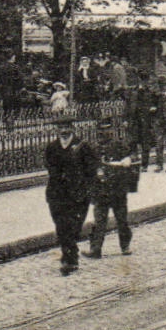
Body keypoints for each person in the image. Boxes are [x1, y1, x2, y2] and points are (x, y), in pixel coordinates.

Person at [45, 114, 98, 274]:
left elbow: (91, 169)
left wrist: (87, 187)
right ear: (57, 130)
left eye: (67, 127)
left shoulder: (82, 146)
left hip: (78, 194)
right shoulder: (52, 147)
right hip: (57, 193)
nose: (64, 131)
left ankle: (70, 257)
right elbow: (50, 166)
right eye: (61, 128)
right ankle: (69, 257)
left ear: (72, 128)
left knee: (73, 227)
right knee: (61, 226)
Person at [87, 113, 140, 258]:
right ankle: (96, 249)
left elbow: (134, 155)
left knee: (121, 219)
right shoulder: (93, 148)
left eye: (107, 130)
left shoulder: (119, 145)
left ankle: (125, 246)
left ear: (112, 131)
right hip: (101, 190)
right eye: (101, 131)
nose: (104, 134)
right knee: (99, 221)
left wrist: (128, 159)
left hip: (117, 188)